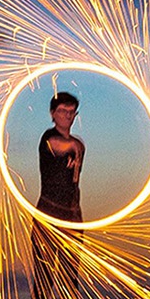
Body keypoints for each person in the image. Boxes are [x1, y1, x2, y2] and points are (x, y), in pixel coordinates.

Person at [36, 92, 85, 223]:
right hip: (50, 211)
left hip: (72, 213)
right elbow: (56, 144)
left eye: (72, 111)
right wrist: (73, 144)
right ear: (53, 113)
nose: (68, 115)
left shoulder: (78, 145)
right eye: (63, 111)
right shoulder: (48, 137)